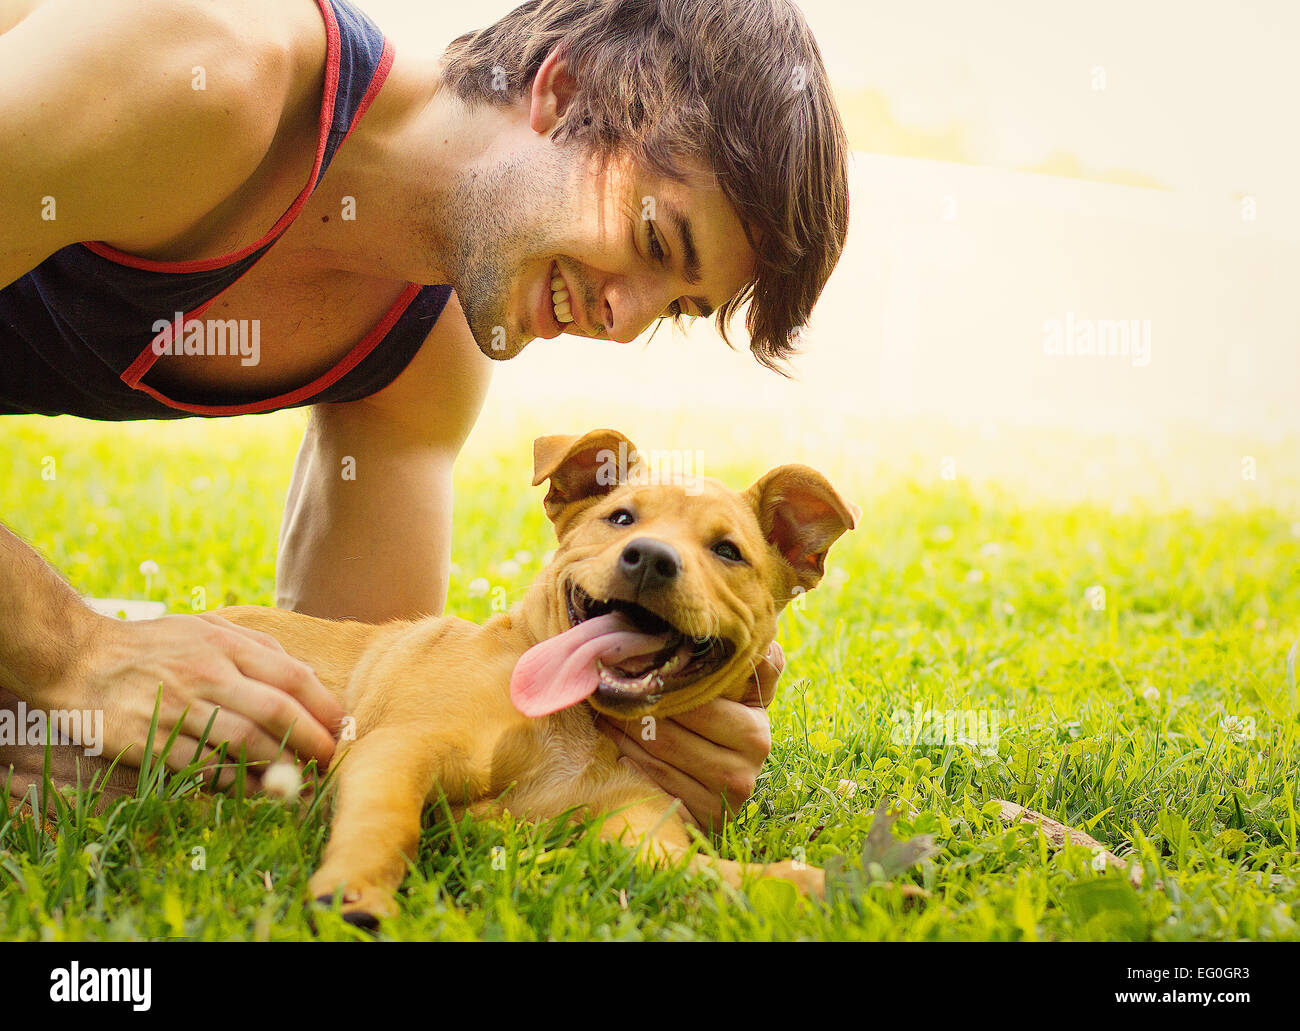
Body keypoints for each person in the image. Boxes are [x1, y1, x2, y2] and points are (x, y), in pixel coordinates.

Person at [0, 0, 849, 830]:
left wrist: (623, 729)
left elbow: (334, 712)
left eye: (674, 308)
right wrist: (72, 651)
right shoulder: (209, 63)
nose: (622, 324)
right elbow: (76, 665)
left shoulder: (427, 347)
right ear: (564, 94)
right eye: (656, 241)